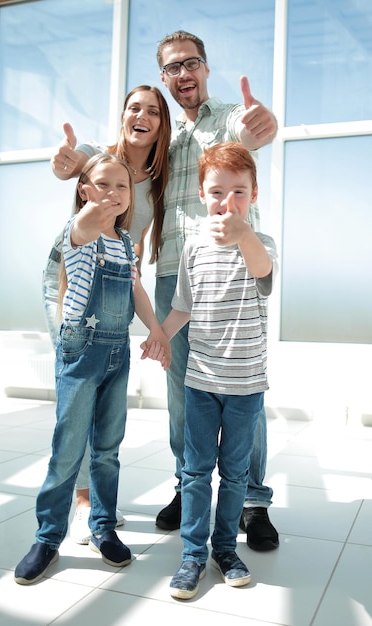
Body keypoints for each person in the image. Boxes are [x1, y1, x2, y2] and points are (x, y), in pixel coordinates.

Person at [15, 153, 171, 585]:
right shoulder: (77, 233)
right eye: (102, 184)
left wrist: (157, 331)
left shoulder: (124, 244)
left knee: (107, 449)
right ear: (84, 190)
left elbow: (136, 289)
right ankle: (48, 538)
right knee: (68, 450)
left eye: (122, 187)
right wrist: (90, 212)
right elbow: (83, 225)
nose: (113, 194)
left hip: (117, 353)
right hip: (81, 353)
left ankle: (102, 527)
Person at [154, 30, 279, 551]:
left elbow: (254, 132)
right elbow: (118, 158)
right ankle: (191, 487)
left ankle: (252, 500)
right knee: (185, 394)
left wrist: (263, 123)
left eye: (192, 64)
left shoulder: (228, 116)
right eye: (173, 68)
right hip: (173, 269)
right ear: (164, 77)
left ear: (206, 68)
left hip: (230, 264)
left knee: (242, 385)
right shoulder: (159, 137)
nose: (184, 74)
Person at [44, 85, 171, 544]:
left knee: (107, 421)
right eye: (134, 108)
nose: (143, 116)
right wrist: (66, 163)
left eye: (153, 111)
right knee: (74, 392)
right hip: (73, 273)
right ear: (123, 116)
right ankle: (79, 500)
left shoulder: (159, 178)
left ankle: (100, 504)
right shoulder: (100, 160)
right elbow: (74, 178)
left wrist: (155, 326)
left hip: (118, 271)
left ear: (161, 124)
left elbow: (135, 256)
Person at [159, 142, 278, 599]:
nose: (227, 201)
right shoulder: (192, 246)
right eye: (217, 191)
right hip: (201, 382)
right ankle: (192, 555)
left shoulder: (260, 244)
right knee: (194, 471)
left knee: (234, 475)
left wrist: (244, 234)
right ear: (201, 193)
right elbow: (182, 308)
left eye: (240, 192)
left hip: (246, 386)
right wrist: (158, 335)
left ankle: (225, 549)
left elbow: (264, 277)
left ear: (254, 196)